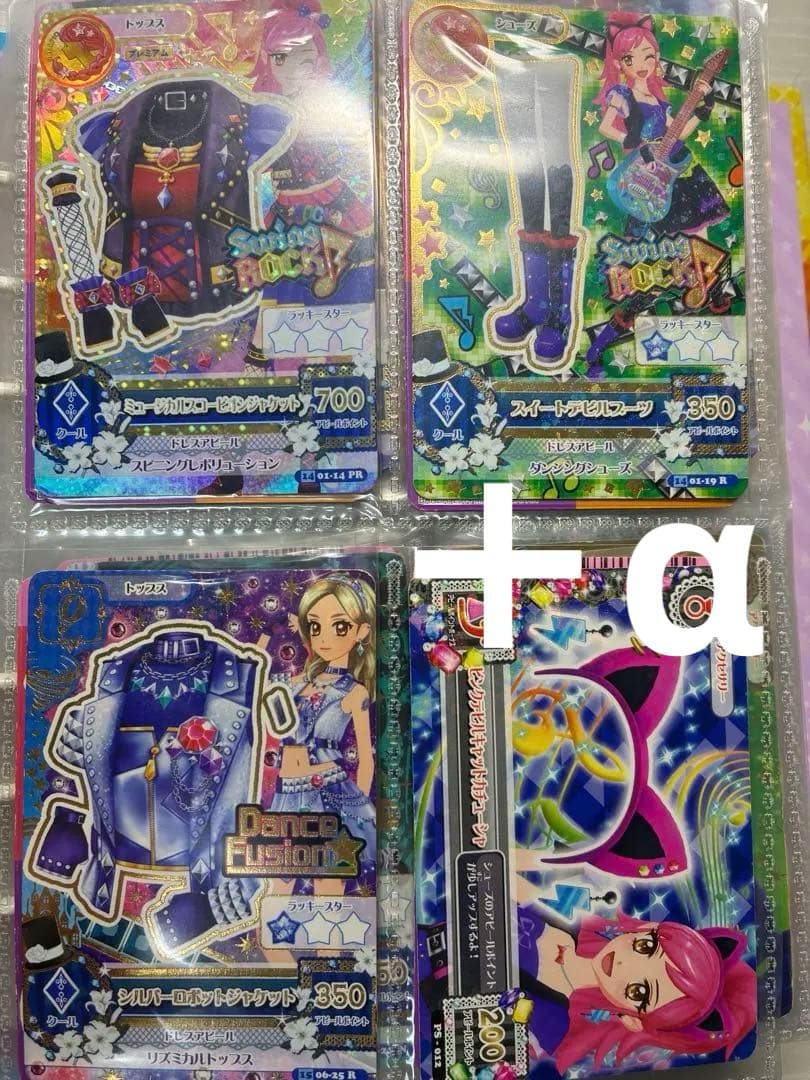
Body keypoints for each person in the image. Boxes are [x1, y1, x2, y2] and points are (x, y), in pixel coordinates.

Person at [587, 12, 728, 367]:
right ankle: (607, 338)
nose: (642, 64)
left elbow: (677, 133)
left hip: (676, 177)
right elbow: (606, 127)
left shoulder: (660, 101)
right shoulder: (621, 94)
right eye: (631, 58)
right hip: (645, 180)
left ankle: (711, 300)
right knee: (644, 264)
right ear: (619, 63)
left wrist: (703, 109)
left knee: (701, 245)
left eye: (648, 56)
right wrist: (637, 145)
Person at [514, 897, 756, 1076]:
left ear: (632, 1020)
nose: (624, 963)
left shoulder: (551, 1026)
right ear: (647, 929)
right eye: (645, 947)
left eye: (639, 991)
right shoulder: (574, 910)